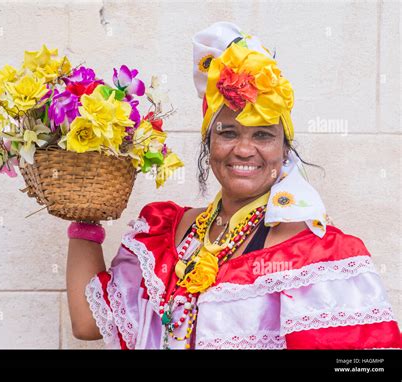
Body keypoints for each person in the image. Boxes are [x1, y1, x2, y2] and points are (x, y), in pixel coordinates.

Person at [66, 21, 401, 349]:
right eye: (228, 132)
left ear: (284, 149)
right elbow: (87, 324)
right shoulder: (167, 234)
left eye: (263, 134)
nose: (243, 149)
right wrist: (84, 208)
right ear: (208, 142)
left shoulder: (317, 256)